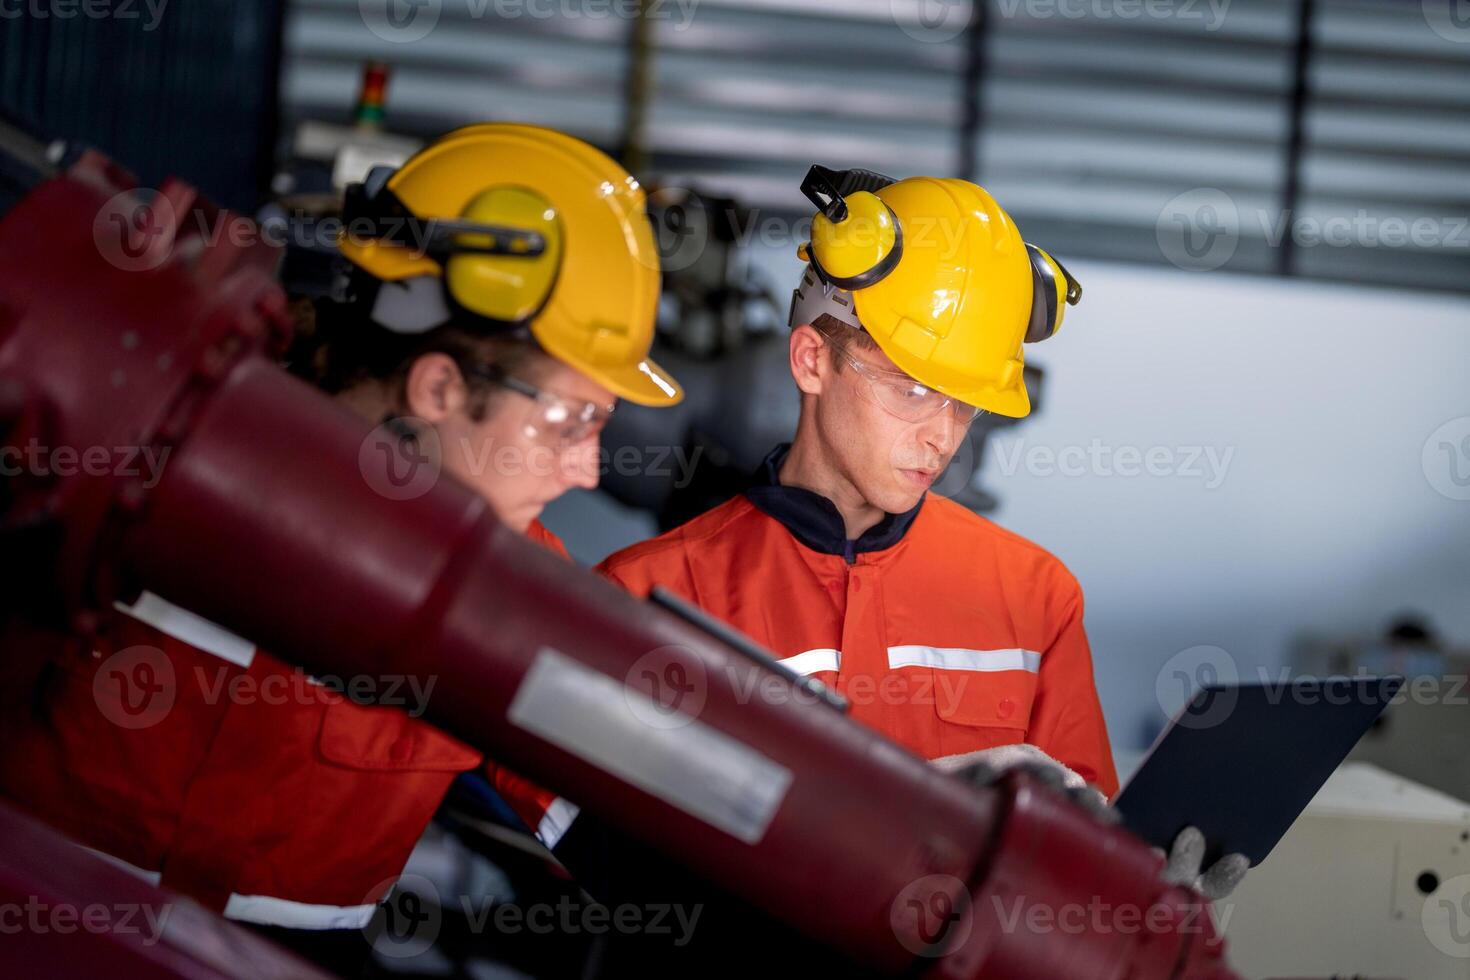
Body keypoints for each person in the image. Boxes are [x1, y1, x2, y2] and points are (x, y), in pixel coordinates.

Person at [0, 123, 681, 969]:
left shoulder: (525, 596)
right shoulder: (155, 439)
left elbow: (634, 839)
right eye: (573, 420)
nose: (589, 469)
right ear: (438, 384)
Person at [596, 165, 1118, 797]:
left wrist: (1149, 883)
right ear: (811, 360)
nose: (943, 438)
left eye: (967, 404)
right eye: (914, 390)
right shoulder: (644, 597)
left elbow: (1088, 842)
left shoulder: (1037, 600)